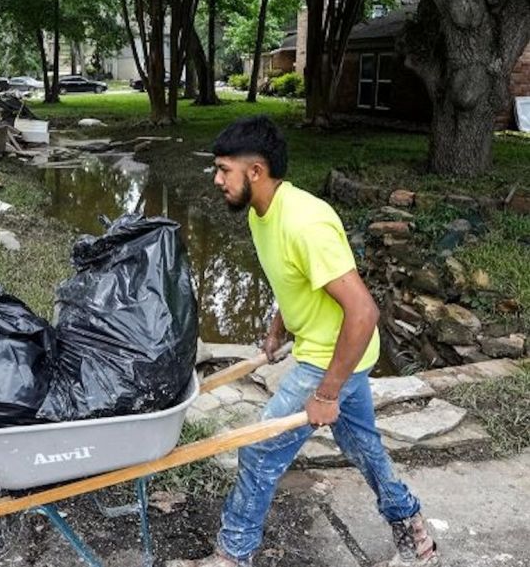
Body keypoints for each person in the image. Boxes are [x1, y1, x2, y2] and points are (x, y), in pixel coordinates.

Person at [167, 116, 439, 567]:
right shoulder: (261, 212)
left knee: (259, 453)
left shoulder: (305, 222)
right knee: (363, 450)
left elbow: (364, 311)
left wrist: (326, 392)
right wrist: (279, 325)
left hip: (333, 357)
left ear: (256, 171)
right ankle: (413, 528)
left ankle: (232, 556)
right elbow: (290, 279)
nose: (217, 180)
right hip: (331, 349)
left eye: (223, 170)